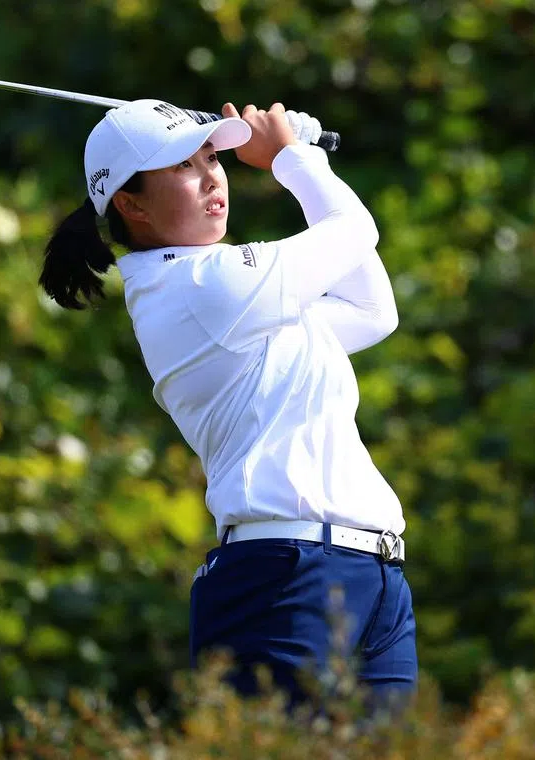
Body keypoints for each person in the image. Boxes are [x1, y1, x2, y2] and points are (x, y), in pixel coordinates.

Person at [39, 99, 415, 708]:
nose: (212, 177)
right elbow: (353, 231)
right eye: (183, 166)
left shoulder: (234, 296)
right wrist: (293, 158)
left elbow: (373, 310)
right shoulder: (200, 286)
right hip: (283, 575)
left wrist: (300, 156)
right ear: (132, 205)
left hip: (371, 576)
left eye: (212, 157)